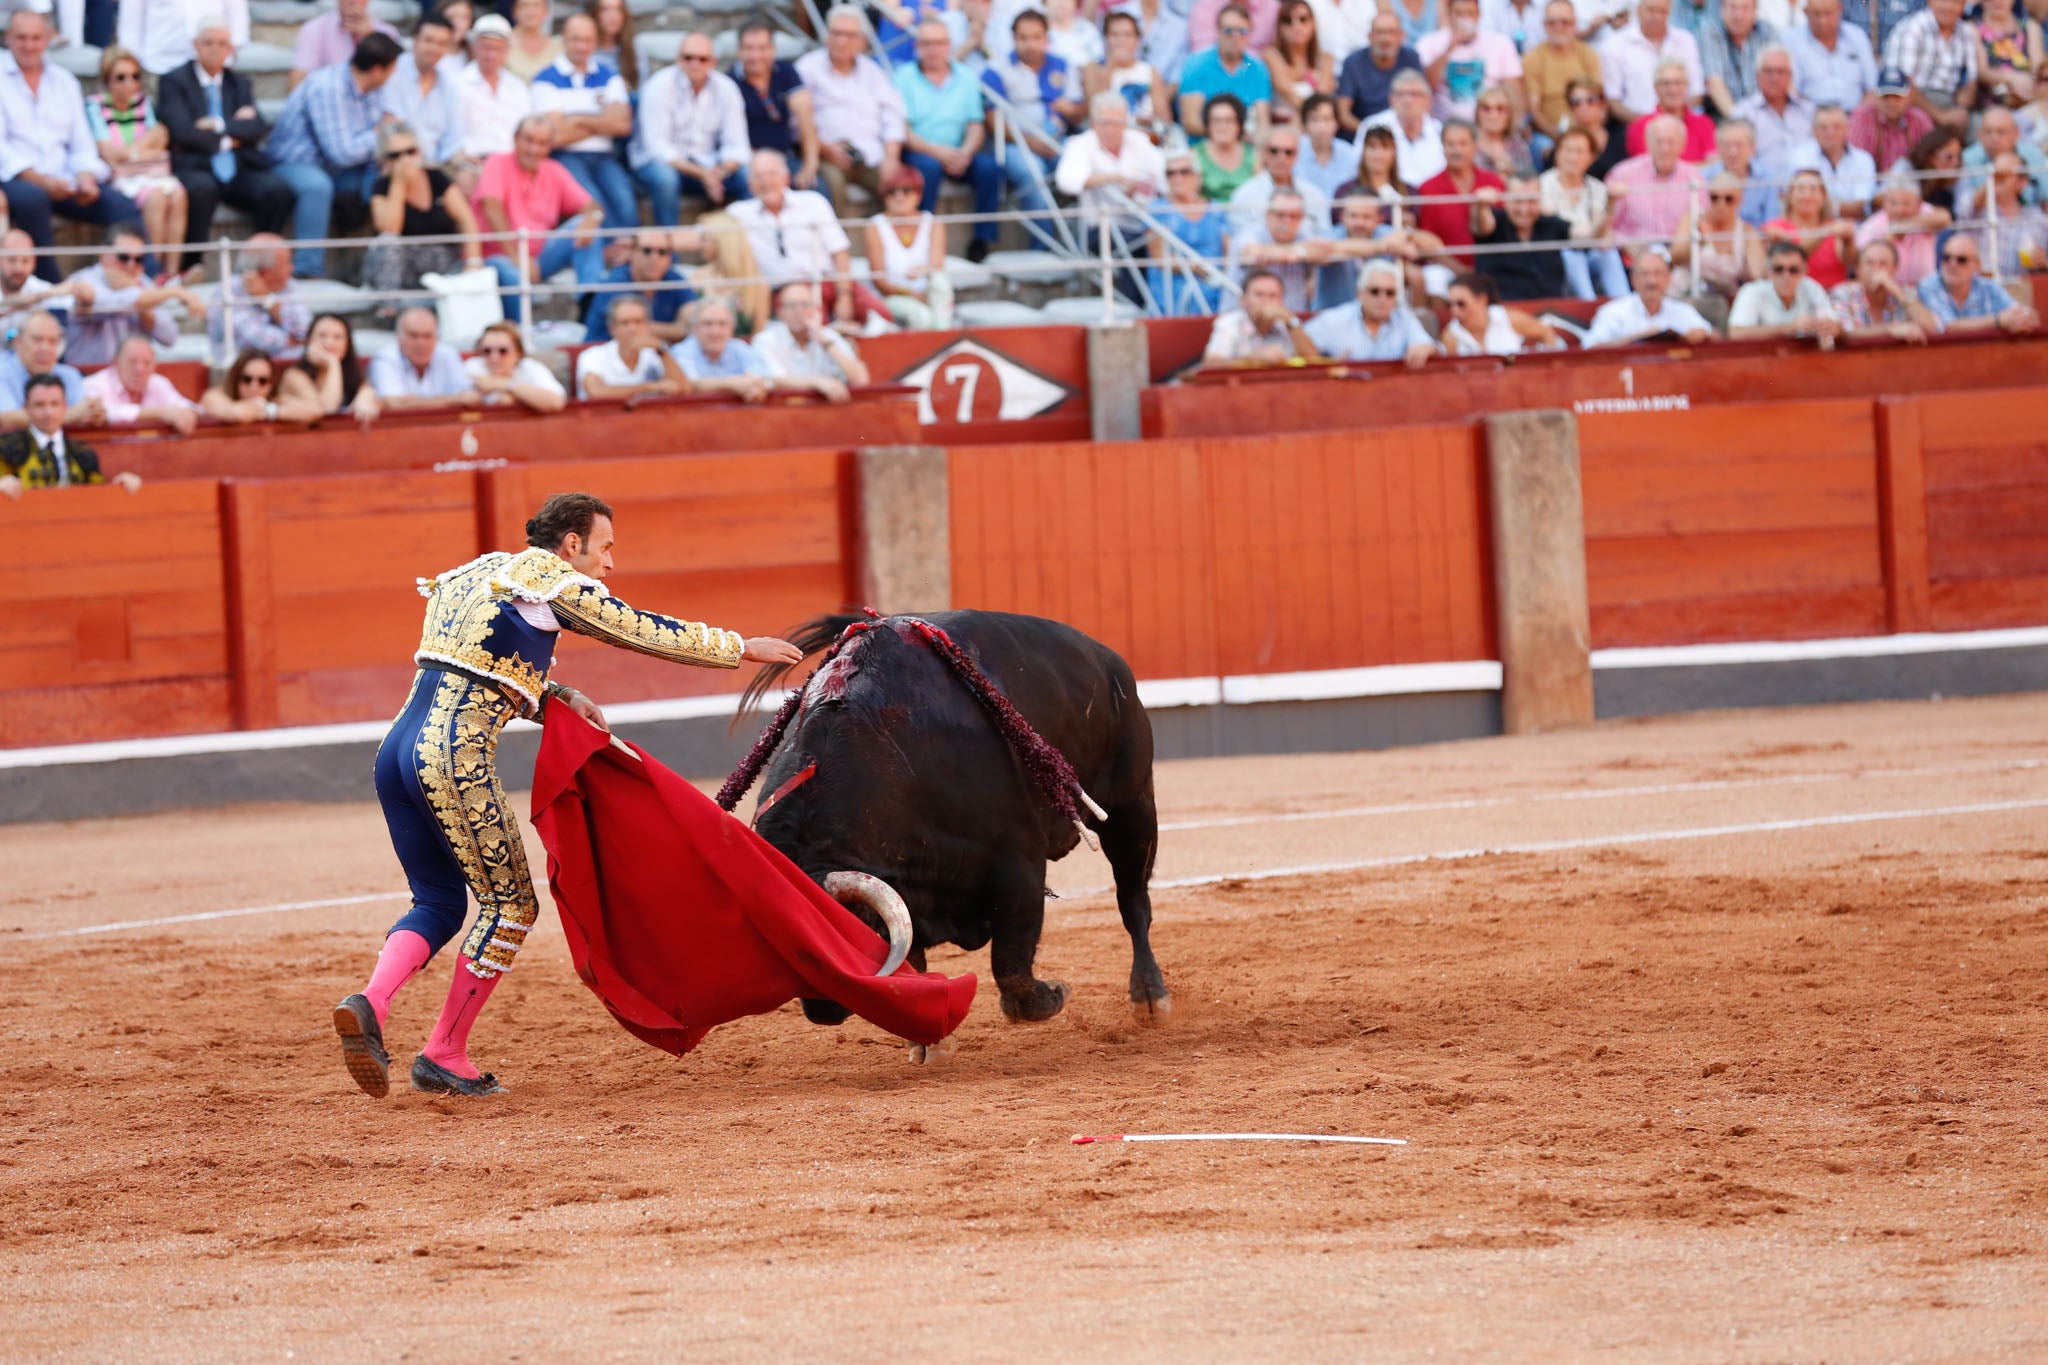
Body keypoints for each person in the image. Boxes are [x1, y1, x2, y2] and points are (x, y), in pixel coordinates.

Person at [332, 491, 803, 1098]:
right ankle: (444, 1051)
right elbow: (640, 631)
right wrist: (739, 648)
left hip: (393, 756)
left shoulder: (479, 572)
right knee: (510, 907)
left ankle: (371, 1002)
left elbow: (479, 663)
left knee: (440, 901)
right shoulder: (554, 580)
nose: (610, 565)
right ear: (572, 543)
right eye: (604, 548)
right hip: (451, 758)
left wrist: (554, 695)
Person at [1, 10, 148, 283]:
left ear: (47, 39)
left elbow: (81, 143)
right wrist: (41, 180)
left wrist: (86, 176)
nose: (29, 45)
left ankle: (145, 279)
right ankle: (52, 290)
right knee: (33, 199)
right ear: (8, 39)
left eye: (35, 38)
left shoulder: (63, 80)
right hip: (17, 179)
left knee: (122, 206)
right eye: (21, 38)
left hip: (64, 178)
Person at [268, 33, 404, 278]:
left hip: (335, 166)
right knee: (316, 186)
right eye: (392, 70)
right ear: (376, 70)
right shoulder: (327, 87)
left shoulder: (373, 88)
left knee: (393, 173)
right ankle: (308, 270)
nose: (393, 76)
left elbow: (375, 135)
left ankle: (370, 269)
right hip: (294, 161)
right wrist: (380, 133)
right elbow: (342, 152)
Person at [156, 17, 295, 249]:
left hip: (238, 166)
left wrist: (217, 124)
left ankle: (259, 258)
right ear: (196, 45)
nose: (215, 49)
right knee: (200, 190)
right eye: (208, 42)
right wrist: (232, 136)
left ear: (230, 48)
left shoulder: (239, 83)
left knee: (278, 191)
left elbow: (256, 127)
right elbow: (182, 132)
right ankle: (193, 264)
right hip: (196, 166)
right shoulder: (174, 81)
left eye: (222, 44)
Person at [733, 149, 886, 328]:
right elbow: (702, 235)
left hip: (830, 281)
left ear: (786, 177)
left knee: (880, 317)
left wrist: (844, 295)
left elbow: (840, 252)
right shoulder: (738, 214)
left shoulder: (813, 202)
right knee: (810, 325)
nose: (766, 181)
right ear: (750, 184)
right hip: (786, 289)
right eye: (759, 176)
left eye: (771, 174)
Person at [896, 19, 1003, 264]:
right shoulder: (904, 77)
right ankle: (923, 239)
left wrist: (963, 153)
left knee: (991, 169)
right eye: (927, 44)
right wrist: (939, 153)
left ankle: (982, 239)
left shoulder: (965, 76)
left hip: (957, 151)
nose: (933, 49)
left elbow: (976, 125)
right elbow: (903, 131)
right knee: (928, 170)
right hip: (921, 150)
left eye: (939, 43)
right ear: (917, 46)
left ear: (948, 45)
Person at [475, 117, 608, 310]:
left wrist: (592, 218)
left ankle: (591, 309)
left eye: (542, 143)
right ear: (516, 138)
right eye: (528, 140)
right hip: (500, 255)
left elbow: (593, 206)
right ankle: (520, 332)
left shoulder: (553, 170)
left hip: (540, 258)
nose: (534, 149)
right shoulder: (497, 163)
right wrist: (518, 257)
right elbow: (491, 207)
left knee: (587, 228)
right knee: (512, 276)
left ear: (550, 146)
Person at [87, 46, 189, 279]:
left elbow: (160, 136)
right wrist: (141, 151)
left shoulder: (144, 103)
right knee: (155, 198)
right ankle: (153, 272)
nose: (129, 83)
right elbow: (108, 152)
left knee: (178, 195)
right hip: (120, 178)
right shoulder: (95, 106)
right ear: (107, 80)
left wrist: (130, 153)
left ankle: (171, 274)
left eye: (134, 76)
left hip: (149, 174)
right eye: (121, 77)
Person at [532, 14, 636, 238]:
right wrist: (602, 121)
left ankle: (627, 252)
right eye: (576, 39)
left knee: (624, 198)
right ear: (563, 40)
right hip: (565, 156)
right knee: (592, 199)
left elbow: (623, 124)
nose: (582, 46)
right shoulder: (545, 78)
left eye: (588, 40)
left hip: (603, 155)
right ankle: (612, 253)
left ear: (595, 42)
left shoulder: (609, 76)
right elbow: (554, 136)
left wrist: (577, 120)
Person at [363, 122, 489, 304]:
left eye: (410, 151)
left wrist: (473, 262)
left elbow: (466, 220)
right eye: (395, 155)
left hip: (440, 262)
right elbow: (389, 230)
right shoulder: (381, 186)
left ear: (419, 151)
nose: (405, 159)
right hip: (400, 266)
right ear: (385, 159)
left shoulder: (436, 178)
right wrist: (398, 184)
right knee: (388, 243)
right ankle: (387, 309)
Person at [634, 32, 750, 229]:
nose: (695, 64)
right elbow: (658, 147)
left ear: (713, 61)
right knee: (665, 179)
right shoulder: (659, 86)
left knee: (750, 176)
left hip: (706, 163)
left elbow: (738, 146)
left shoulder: (726, 88)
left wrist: (718, 173)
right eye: (688, 57)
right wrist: (703, 174)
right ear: (678, 59)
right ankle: (668, 249)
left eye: (702, 59)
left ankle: (744, 244)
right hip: (661, 164)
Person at [798, 5, 909, 209]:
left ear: (862, 41)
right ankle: (838, 241)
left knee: (900, 185)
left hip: (869, 155)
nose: (842, 41)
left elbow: (893, 114)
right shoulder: (807, 68)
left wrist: (891, 158)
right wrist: (824, 148)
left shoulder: (873, 71)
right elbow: (796, 120)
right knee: (830, 186)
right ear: (826, 35)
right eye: (836, 33)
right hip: (826, 154)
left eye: (849, 35)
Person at [986, 9, 1083, 241]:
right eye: (1023, 38)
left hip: (1058, 141)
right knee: (1033, 173)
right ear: (1013, 39)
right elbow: (993, 121)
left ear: (1046, 38)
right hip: (1017, 144)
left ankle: (1089, 238)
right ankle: (1045, 245)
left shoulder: (1062, 65)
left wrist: (1071, 110)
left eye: (1036, 37)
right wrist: (1034, 143)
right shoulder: (997, 70)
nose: (1030, 44)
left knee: (1085, 163)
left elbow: (1079, 112)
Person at [63, 225, 205, 369]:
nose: (131, 265)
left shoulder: (143, 284)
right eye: (123, 257)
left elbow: (169, 337)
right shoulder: (84, 280)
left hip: (133, 377)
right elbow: (115, 305)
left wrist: (139, 295)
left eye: (138, 259)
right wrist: (174, 291)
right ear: (104, 253)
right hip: (89, 376)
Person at [0, 373, 139, 498]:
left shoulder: (81, 451)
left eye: (54, 404)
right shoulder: (6, 447)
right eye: (39, 405)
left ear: (64, 406)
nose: (48, 412)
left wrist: (118, 484)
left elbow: (98, 492)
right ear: (26, 408)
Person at [734, 17, 822, 191]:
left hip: (786, 157)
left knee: (817, 188)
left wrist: (810, 164)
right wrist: (766, 168)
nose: (756, 56)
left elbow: (805, 113)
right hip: (751, 161)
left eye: (762, 48)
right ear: (740, 51)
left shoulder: (785, 72)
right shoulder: (731, 82)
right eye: (749, 48)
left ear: (773, 49)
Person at [865, 163, 956, 329]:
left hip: (927, 292)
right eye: (892, 192)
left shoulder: (933, 223)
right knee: (921, 316)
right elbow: (879, 281)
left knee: (941, 283)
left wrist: (923, 273)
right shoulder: (875, 226)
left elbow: (937, 266)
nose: (899, 197)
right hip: (894, 296)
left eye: (906, 190)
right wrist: (911, 294)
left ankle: (944, 334)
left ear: (918, 195)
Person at [752, 280, 872, 402]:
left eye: (805, 305)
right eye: (792, 306)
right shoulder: (766, 340)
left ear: (816, 309)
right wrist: (817, 382)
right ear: (780, 312)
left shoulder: (828, 336)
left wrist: (825, 342)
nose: (799, 311)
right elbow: (772, 380)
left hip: (828, 414)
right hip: (783, 413)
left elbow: (860, 380)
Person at [1304, 257, 1440, 363]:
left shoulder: (1404, 318)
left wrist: (1427, 349)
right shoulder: (1336, 319)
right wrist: (1326, 364)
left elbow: (1429, 347)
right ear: (1360, 293)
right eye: (1375, 291)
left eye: (1390, 293)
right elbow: (1295, 346)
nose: (1383, 298)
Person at [1607, 115, 1705, 257]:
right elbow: (1606, 226)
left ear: (1683, 145)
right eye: (1659, 142)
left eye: (1671, 142)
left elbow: (1702, 222)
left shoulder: (1694, 178)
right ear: (1647, 143)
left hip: (1679, 255)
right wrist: (1625, 242)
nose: (1665, 148)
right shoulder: (1623, 175)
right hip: (1635, 256)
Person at [1150, 148, 1232, 312]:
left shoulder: (1215, 208)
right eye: (1170, 173)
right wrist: (1195, 267)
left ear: (1198, 175)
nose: (1177, 177)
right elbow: (1159, 257)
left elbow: (1228, 250)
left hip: (1214, 282)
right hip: (1174, 285)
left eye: (1184, 171)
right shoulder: (1158, 209)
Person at [1415, 118, 1505, 268]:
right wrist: (1459, 271)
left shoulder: (1494, 182)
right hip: (1445, 268)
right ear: (1443, 148)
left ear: (1475, 146)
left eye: (1463, 144)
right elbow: (1428, 242)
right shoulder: (1428, 188)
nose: (1457, 151)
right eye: (1450, 144)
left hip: (1494, 265)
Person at [582, 228, 697, 344]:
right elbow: (633, 331)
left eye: (662, 252)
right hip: (605, 354)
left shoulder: (673, 279)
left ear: (670, 257)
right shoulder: (616, 283)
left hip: (648, 354)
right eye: (647, 251)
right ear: (632, 252)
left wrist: (684, 329)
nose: (654, 258)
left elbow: (694, 320)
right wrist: (678, 330)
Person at [1418, 0, 1525, 123]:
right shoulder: (1429, 43)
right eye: (1458, 13)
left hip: (1489, 126)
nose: (1464, 19)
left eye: (1470, 13)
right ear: (1449, 14)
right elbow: (1425, 86)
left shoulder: (1501, 43)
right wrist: (1449, 49)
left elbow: (1514, 92)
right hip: (1444, 125)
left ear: (1479, 14)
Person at [1176, 3, 1274, 138]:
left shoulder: (1257, 68)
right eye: (1228, 30)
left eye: (1242, 31)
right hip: (1204, 146)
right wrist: (1229, 136)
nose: (1235, 36)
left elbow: (1263, 121)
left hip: (1245, 147)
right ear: (1217, 31)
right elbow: (1191, 122)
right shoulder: (1196, 64)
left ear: (1250, 34)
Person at [1583, 245, 1715, 343]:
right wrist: (1636, 338)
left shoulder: (1682, 311)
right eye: (1645, 274)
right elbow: (1590, 348)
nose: (1652, 281)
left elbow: (1716, 336)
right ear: (1633, 279)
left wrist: (1700, 335)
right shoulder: (1614, 312)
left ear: (1668, 278)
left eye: (1658, 273)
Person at [455, 14, 533, 180]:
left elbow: (525, 129)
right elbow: (452, 133)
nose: (491, 55)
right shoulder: (457, 84)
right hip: (472, 163)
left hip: (514, 163)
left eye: (497, 49)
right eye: (486, 48)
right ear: (474, 48)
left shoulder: (517, 86)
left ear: (507, 51)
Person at [384, 14, 464, 172]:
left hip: (437, 167)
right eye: (428, 41)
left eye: (442, 43)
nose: (434, 49)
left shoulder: (449, 85)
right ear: (415, 39)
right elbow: (392, 129)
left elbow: (453, 140)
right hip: (397, 163)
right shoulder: (392, 73)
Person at [1915, 230, 2039, 332]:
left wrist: (2025, 317)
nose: (1952, 264)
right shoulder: (1928, 286)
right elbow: (1947, 326)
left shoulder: (1989, 287)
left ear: (1977, 265)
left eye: (1961, 260)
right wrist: (1998, 321)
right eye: (1946, 258)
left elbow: (2018, 312)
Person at [1232, 188, 1334, 312]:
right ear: (1268, 214)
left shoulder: (1303, 234)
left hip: (1294, 319)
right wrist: (1300, 252)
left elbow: (1325, 250)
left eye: (1294, 216)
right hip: (1245, 321)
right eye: (1280, 215)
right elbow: (1252, 252)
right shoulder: (1250, 234)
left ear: (1302, 217)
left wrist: (1294, 252)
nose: (1287, 221)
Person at [1883, 0, 1977, 135]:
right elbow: (1902, 83)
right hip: (1916, 101)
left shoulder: (1966, 32)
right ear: (1930, 2)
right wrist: (1940, 116)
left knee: (1985, 127)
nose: (1948, 7)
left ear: (1963, 6)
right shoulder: (1914, 28)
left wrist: (1961, 109)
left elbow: (1970, 80)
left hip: (1953, 101)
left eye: (1955, 2)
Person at [1599, 0, 1702, 123]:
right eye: (1651, 10)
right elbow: (1613, 101)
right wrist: (1650, 124)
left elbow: (1697, 92)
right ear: (1638, 10)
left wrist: (1672, 120)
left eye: (1662, 11)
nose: (1657, 17)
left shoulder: (1685, 40)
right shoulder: (1614, 45)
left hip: (1683, 123)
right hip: (1633, 124)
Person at [1471, 172, 1569, 297]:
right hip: (1503, 310)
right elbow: (1481, 225)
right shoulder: (1495, 220)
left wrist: (1603, 212)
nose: (1524, 210)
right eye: (1518, 201)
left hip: (1550, 309)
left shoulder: (1550, 223)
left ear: (1540, 200)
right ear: (1505, 199)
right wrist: (1481, 206)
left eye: (1531, 201)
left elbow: (1585, 236)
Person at [1671, 171, 1766, 300]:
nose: (1721, 204)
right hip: (1685, 295)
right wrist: (1698, 239)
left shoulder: (1746, 231)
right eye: (1714, 197)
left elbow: (1758, 275)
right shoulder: (1693, 218)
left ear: (1739, 201)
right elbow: (1676, 258)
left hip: (1725, 301)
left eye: (1728, 199)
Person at [0, 309, 101, 429]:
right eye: (37, 340)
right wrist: (68, 417)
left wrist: (95, 412)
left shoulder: (69, 375)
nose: (45, 348)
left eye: (52, 341)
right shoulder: (3, 373)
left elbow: (84, 413)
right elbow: (7, 418)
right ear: (17, 342)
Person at [1229, 123, 1334, 237]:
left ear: (1297, 155)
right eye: (1274, 151)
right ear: (1264, 153)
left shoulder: (1314, 194)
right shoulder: (1245, 194)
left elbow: (1325, 237)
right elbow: (1240, 242)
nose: (1281, 158)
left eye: (1288, 152)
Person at [276, 311, 381, 425]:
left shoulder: (354, 375)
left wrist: (366, 398)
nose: (330, 343)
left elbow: (371, 399)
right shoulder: (294, 375)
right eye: (322, 336)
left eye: (338, 337)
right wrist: (333, 363)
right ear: (309, 341)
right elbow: (327, 411)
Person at [577, 294, 689, 399]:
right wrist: (650, 387)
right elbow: (596, 392)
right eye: (625, 323)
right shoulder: (594, 355)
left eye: (638, 322)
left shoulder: (656, 354)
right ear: (612, 329)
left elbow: (683, 389)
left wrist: (662, 351)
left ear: (648, 325)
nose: (632, 329)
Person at [80, 333, 198, 433]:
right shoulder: (94, 384)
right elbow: (104, 413)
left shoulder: (159, 383)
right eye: (132, 362)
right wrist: (161, 413)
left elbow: (186, 406)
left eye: (147, 363)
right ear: (115, 362)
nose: (140, 369)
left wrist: (189, 413)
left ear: (154, 366)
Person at [1725, 239, 1843, 339]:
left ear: (1805, 271)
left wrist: (1833, 328)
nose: (1786, 276)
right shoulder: (1751, 291)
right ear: (1769, 271)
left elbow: (1835, 325)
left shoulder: (1812, 288)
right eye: (1778, 269)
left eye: (1793, 270)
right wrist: (1790, 327)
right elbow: (1736, 333)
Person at [1830, 235, 1940, 339]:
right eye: (1869, 263)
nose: (1876, 269)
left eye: (1883, 264)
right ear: (1858, 269)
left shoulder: (1904, 293)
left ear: (1894, 270)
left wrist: (1898, 292)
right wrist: (1889, 330)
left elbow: (1932, 328)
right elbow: (1844, 332)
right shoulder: (1843, 293)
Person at [368, 307, 479, 408]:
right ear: (398, 337)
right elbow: (392, 403)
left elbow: (471, 396)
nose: (421, 343)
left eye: (427, 336)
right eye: (414, 336)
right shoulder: (385, 358)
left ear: (437, 337)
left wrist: (413, 402)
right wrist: (456, 399)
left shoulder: (448, 354)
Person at [1766, 166, 1857, 289]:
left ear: (1823, 197)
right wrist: (1825, 231)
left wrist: (1848, 242)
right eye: (1801, 189)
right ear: (1790, 196)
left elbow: (1850, 262)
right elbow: (1794, 255)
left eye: (1813, 190)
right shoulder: (1775, 227)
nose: (1807, 195)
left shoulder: (1835, 227)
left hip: (1831, 298)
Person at [1088, 9, 1174, 137]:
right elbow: (1092, 112)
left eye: (1127, 35)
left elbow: (1164, 119)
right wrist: (1110, 67)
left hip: (1146, 136)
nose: (1121, 41)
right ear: (1105, 39)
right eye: (1115, 35)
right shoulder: (1094, 69)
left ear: (1137, 40)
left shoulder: (1150, 72)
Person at [1854, 171, 1950, 285]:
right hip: (1886, 290)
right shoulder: (1873, 225)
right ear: (1884, 204)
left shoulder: (1923, 211)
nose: (1899, 210)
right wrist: (1888, 240)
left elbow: (1944, 218)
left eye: (1906, 204)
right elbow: (1857, 257)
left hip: (1924, 289)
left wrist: (1901, 226)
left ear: (1918, 204)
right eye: (1893, 203)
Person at [1522, 0, 1601, 139]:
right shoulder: (1532, 58)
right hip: (1549, 134)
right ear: (1544, 25)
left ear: (1574, 24)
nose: (1558, 27)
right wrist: (1559, 138)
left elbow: (1600, 101)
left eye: (1564, 22)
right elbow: (1534, 110)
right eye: (1552, 23)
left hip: (1588, 132)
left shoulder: (1588, 54)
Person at [671, 296, 774, 400]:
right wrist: (732, 384)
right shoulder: (682, 351)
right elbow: (688, 383)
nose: (715, 332)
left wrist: (755, 387)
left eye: (722, 324)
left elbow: (764, 377)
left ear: (732, 329)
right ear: (693, 329)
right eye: (707, 324)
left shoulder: (740, 348)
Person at [1336, 9, 1422, 131]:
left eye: (1391, 32)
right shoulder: (1353, 63)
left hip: (1403, 132)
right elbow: (1343, 114)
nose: (1385, 38)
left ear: (1402, 36)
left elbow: (1422, 101)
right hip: (1365, 135)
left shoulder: (1411, 59)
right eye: (1379, 32)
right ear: (1369, 36)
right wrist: (1370, 133)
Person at [1203, 267, 1317, 359]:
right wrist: (1255, 359)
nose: (1266, 301)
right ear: (1243, 300)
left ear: (1281, 301)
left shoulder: (1287, 323)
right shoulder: (1230, 322)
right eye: (1259, 295)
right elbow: (1212, 362)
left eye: (1272, 296)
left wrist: (1291, 320)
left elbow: (1313, 360)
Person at [117, 0, 252, 77]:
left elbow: (238, 18)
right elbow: (130, 23)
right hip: (161, 65)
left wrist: (225, 54)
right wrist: (133, 63)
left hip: (213, 70)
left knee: (213, 122)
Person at [689, 210, 772, 333]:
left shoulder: (756, 283)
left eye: (704, 239)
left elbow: (759, 334)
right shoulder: (697, 276)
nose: (700, 245)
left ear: (721, 241)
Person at [1361, 69, 1449, 185]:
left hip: (1433, 199)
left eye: (1415, 94)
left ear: (1429, 100)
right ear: (1391, 99)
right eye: (1401, 94)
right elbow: (1361, 172)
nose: (1408, 100)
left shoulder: (1441, 131)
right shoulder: (1372, 127)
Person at [1788, 103, 1876, 218]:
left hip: (1854, 230)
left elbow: (1862, 208)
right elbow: (1798, 206)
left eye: (1836, 127)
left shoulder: (1864, 160)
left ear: (1847, 129)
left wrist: (1819, 206)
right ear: (1814, 130)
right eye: (1823, 128)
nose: (1830, 133)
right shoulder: (1800, 156)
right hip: (1813, 230)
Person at [1788, 0, 1877, 111]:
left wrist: (1857, 120)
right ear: (1805, 13)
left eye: (1828, 13)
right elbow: (1791, 91)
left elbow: (1872, 88)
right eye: (1816, 14)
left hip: (1855, 116)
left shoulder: (1857, 36)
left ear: (1840, 10)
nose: (1822, 21)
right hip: (1809, 118)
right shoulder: (1791, 41)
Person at [1443, 268, 1559, 351]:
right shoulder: (1451, 336)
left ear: (1481, 300)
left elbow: (1547, 333)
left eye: (1461, 304)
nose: (1454, 311)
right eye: (1450, 305)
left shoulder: (1509, 319)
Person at [289, 0, 397, 89]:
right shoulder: (314, 29)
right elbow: (297, 85)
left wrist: (371, 38)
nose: (352, 1)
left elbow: (395, 86)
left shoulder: (388, 33)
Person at [1960, 106, 2048, 213]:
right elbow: (1964, 208)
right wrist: (1995, 178)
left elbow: (2045, 198)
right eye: (1988, 132)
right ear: (1979, 135)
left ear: (2016, 134)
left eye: (2001, 132)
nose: (1994, 139)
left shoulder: (2033, 155)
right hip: (1984, 224)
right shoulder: (1966, 159)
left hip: (2030, 223)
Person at [465, 319, 566, 412]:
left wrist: (505, 384)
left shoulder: (530, 367)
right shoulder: (474, 367)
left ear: (518, 353)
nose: (494, 358)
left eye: (503, 351)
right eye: (487, 351)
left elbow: (556, 402)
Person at [1625, 59, 1716, 160]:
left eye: (1678, 83)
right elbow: (1650, 168)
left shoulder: (1704, 123)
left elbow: (1713, 164)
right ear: (1655, 88)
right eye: (1666, 84)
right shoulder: (1640, 127)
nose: (1673, 90)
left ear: (1687, 86)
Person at [1699, 0, 1775, 119]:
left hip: (1765, 111)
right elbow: (1714, 83)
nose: (1738, 15)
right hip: (1724, 113)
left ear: (1755, 11)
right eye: (1733, 7)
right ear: (1722, 10)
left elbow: (1779, 77)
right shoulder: (1711, 32)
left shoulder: (1766, 31)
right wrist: (1738, 120)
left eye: (1745, 8)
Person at [1264, 0, 1336, 125]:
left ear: (1313, 23)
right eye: (1288, 20)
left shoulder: (1326, 59)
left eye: (1303, 19)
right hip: (1283, 128)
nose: (1296, 26)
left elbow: (1322, 99)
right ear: (1280, 27)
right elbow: (1291, 96)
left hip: (1317, 128)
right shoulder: (1271, 56)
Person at [1977, 152, 2048, 279]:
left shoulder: (2036, 218)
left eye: (2005, 175)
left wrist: (2044, 261)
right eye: (1995, 173)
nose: (1999, 178)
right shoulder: (1977, 211)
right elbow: (1969, 208)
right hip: (1981, 287)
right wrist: (1991, 182)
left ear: (2022, 182)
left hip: (2020, 289)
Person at [1847, 66, 1929, 172]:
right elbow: (1855, 163)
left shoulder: (1919, 119)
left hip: (1911, 183)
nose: (1891, 103)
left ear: (1909, 97)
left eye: (1897, 97)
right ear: (1876, 97)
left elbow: (1930, 158)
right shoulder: (1862, 117)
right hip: (1872, 183)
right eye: (1885, 97)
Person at [1699, 117, 1776, 228]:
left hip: (1756, 242)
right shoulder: (1704, 177)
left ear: (1752, 147)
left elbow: (1771, 222)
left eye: (1739, 145)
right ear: (1718, 147)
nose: (1733, 152)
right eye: (1727, 145)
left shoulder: (1767, 178)